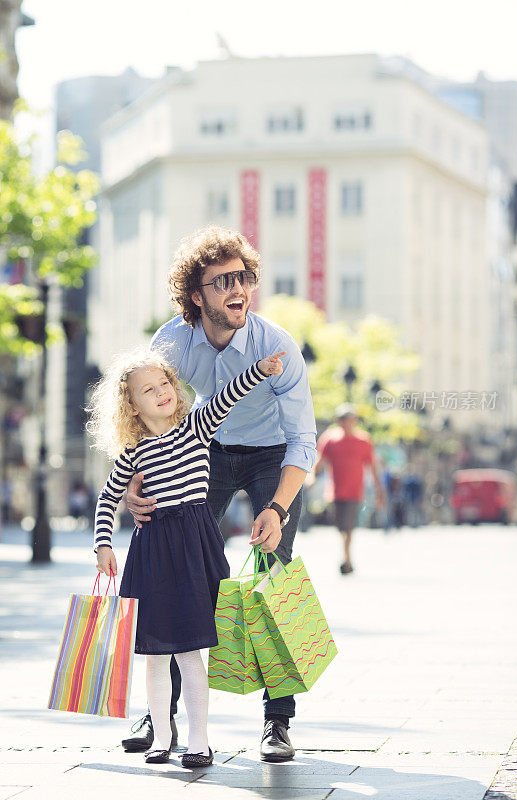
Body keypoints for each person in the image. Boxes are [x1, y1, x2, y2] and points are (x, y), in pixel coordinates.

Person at [123, 226, 316, 763]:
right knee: (171, 568)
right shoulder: (170, 344)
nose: (239, 289)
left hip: (271, 454)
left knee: (274, 578)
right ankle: (161, 713)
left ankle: (278, 720)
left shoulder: (275, 343)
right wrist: (137, 485)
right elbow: (147, 421)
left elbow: (303, 437)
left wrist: (277, 507)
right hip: (201, 450)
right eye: (223, 281)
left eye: (245, 278)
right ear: (196, 295)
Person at [88, 346, 285, 766]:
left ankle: (200, 740)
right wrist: (103, 544)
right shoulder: (132, 453)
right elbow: (107, 499)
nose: (160, 393)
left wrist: (260, 369)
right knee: (156, 653)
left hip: (195, 550)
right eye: (147, 390)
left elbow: (226, 397)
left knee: (191, 651)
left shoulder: (196, 428)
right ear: (132, 406)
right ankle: (161, 737)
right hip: (152, 553)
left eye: (164, 384)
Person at [314, 403, 384, 574]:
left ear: (355, 421)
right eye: (343, 419)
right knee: (340, 526)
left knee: (348, 525)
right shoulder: (329, 439)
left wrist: (379, 490)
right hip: (335, 492)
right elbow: (319, 462)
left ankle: (347, 558)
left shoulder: (363, 440)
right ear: (339, 421)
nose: (347, 423)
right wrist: (310, 479)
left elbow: (373, 467)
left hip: (354, 491)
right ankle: (346, 555)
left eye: (350, 419)